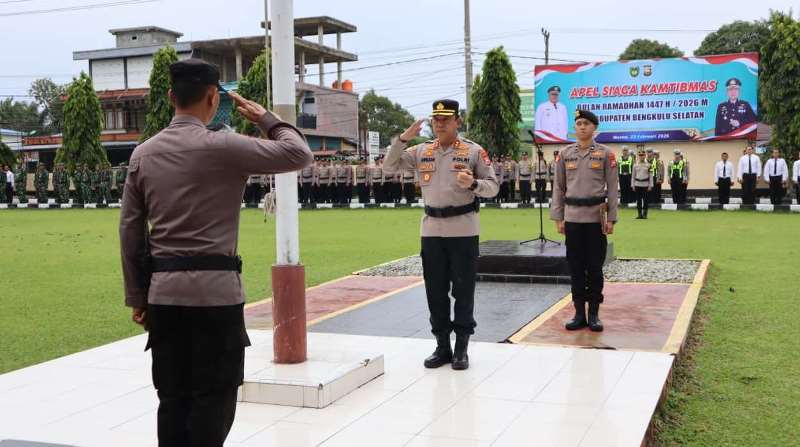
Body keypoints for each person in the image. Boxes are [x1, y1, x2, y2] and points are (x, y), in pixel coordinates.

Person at [119, 58, 312, 447]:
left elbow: (130, 230)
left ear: (171, 97)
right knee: (214, 400)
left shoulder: (143, 154)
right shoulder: (225, 145)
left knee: (172, 399)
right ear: (212, 98)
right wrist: (266, 118)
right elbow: (298, 153)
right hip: (216, 297)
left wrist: (138, 297)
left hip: (164, 297)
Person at [383, 99, 498, 370]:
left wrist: (473, 183)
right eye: (436, 119)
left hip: (463, 229)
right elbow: (389, 166)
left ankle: (461, 348)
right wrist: (401, 139)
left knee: (463, 290)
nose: (440, 123)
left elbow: (493, 187)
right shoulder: (421, 151)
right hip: (432, 230)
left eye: (446, 119)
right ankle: (442, 346)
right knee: (435, 291)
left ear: (458, 121)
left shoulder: (473, 151)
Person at [551, 109, 618, 332]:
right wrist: (558, 217)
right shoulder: (565, 153)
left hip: (595, 219)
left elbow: (612, 189)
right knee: (576, 267)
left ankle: (595, 314)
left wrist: (612, 219)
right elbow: (558, 188)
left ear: (594, 128)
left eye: (586, 124)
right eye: (578, 123)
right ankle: (579, 312)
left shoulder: (606, 153)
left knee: (595, 267)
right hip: (572, 218)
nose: (582, 127)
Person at [632, 149, 653, 219]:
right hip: (637, 184)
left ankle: (645, 214)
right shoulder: (635, 165)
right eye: (640, 155)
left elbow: (651, 176)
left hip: (646, 185)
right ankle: (639, 214)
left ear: (645, 156)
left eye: (643, 155)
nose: (641, 157)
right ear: (638, 156)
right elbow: (633, 176)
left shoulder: (649, 165)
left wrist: (650, 185)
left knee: (646, 200)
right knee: (638, 200)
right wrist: (633, 185)